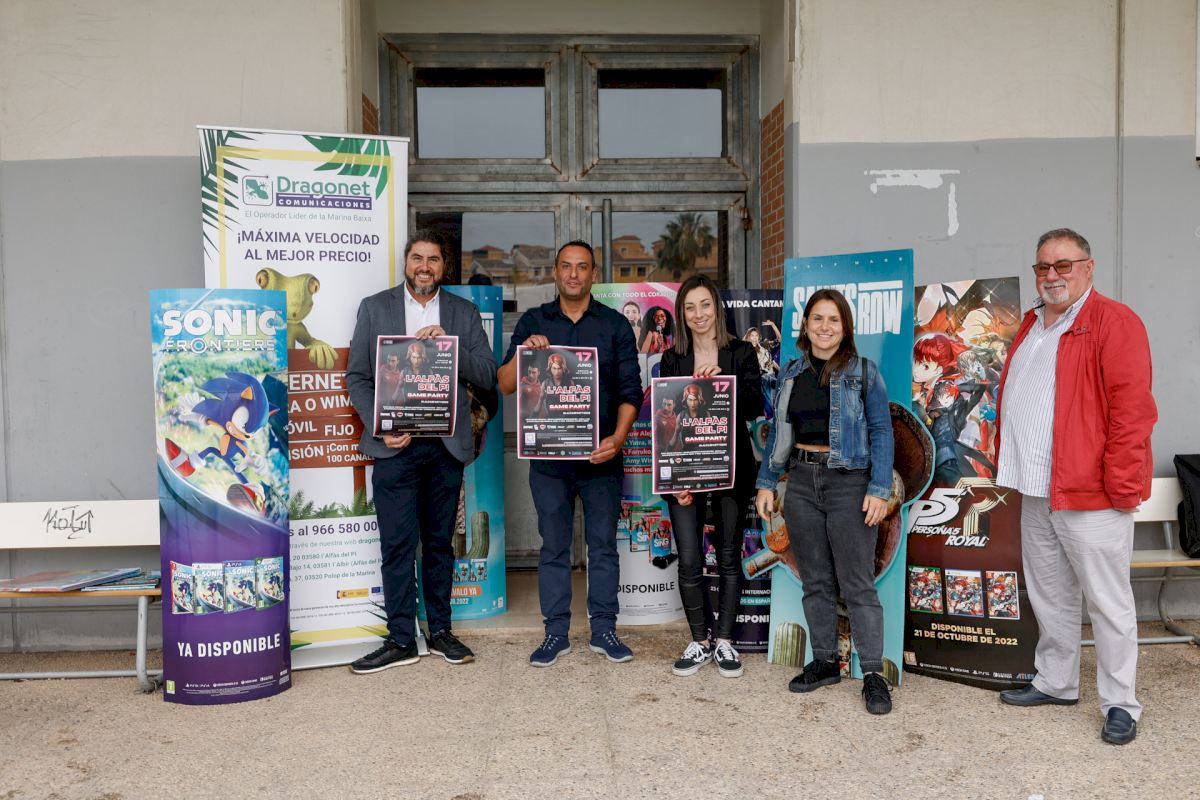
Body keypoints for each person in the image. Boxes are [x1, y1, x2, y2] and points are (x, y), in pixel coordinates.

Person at [994, 228, 1156, 746]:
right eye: (1043, 267)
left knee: (1108, 601)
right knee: (1050, 595)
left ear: (1088, 267)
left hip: (1091, 492)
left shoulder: (1114, 321)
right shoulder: (1032, 324)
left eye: (1063, 265)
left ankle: (1121, 703)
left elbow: (1132, 413)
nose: (1052, 276)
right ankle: (1056, 681)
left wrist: (1122, 488)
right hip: (1037, 487)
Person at [345, 229, 497, 673]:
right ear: (406, 262)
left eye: (433, 259)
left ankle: (441, 631)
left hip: (444, 448)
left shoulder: (464, 314)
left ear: (443, 267)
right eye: (417, 258)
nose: (424, 267)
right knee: (396, 545)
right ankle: (400, 640)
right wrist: (381, 426)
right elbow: (358, 377)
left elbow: (487, 374)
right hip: (395, 447)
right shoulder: (375, 308)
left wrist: (449, 347)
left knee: (439, 544)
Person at [498, 241, 642, 667]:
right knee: (554, 548)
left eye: (582, 267)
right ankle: (555, 633)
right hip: (550, 463)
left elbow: (631, 391)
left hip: (602, 459)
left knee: (603, 548)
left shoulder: (615, 325)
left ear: (593, 274)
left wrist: (618, 439)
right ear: (555, 273)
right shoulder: (533, 322)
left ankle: (604, 630)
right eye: (566, 266)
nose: (574, 274)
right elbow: (505, 383)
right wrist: (526, 354)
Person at [754, 288, 895, 714]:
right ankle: (825, 662)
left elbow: (881, 431)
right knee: (815, 580)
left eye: (834, 319)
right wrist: (766, 482)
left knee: (857, 583)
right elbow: (779, 432)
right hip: (800, 483)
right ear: (806, 324)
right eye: (817, 318)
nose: (825, 327)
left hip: (850, 484)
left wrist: (879, 488)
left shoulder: (864, 372)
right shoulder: (791, 373)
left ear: (845, 327)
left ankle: (873, 675)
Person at [659, 274, 763, 678]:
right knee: (689, 559)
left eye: (705, 305)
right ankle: (699, 641)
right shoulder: (672, 359)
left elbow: (754, 407)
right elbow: (665, 420)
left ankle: (724, 642)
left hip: (731, 469)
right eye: (690, 307)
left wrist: (723, 383)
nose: (698, 314)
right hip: (685, 473)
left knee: (728, 556)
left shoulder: (740, 352)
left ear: (717, 309)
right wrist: (675, 481)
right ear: (681, 314)